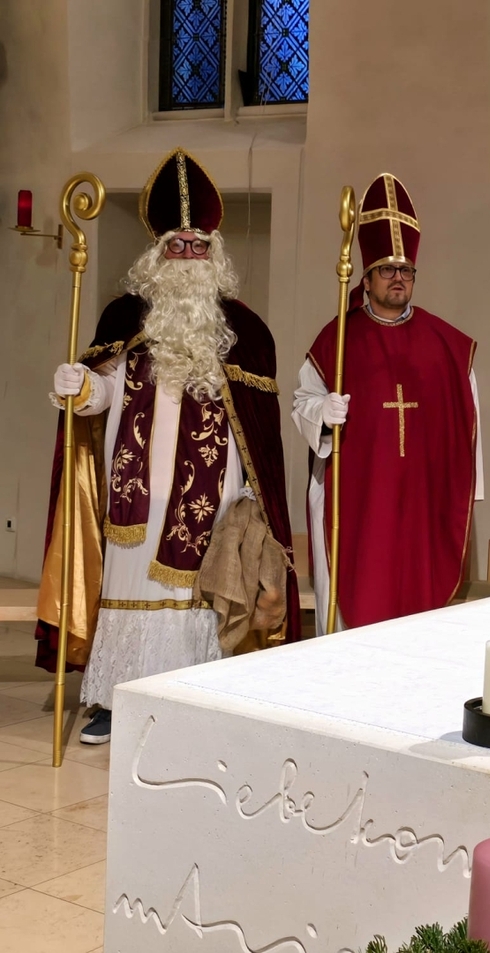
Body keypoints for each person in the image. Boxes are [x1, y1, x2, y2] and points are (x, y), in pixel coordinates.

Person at [35, 147, 300, 744]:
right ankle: (116, 698)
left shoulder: (244, 331)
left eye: (197, 246)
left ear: (214, 253)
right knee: (129, 588)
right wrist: (80, 388)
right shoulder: (124, 317)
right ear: (156, 254)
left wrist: (254, 497)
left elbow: (257, 431)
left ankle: (196, 696)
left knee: (200, 598)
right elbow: (105, 394)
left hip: (213, 497)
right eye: (176, 245)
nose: (187, 255)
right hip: (135, 494)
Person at [292, 173, 482, 632]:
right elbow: (302, 402)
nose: (398, 278)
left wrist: (466, 488)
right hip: (357, 502)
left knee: (416, 614)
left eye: (406, 270)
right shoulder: (339, 338)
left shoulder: (446, 344)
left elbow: (468, 421)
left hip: (421, 504)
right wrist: (323, 414)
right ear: (367, 276)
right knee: (354, 606)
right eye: (387, 269)